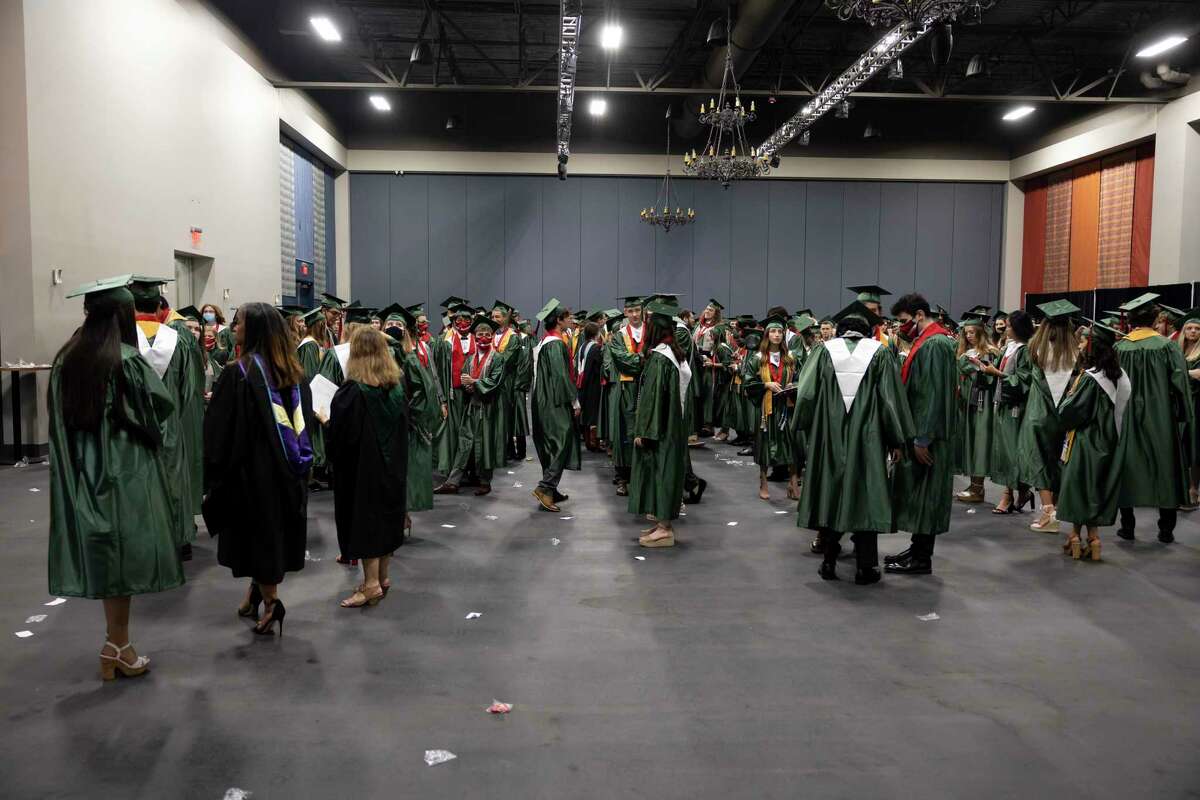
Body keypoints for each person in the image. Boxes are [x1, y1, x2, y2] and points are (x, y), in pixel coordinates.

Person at [49, 276, 184, 680]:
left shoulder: (66, 360)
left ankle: (117, 643)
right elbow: (158, 410)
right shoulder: (126, 361)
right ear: (123, 316)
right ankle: (118, 645)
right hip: (124, 474)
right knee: (124, 560)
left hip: (81, 473)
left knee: (109, 562)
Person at [203, 303, 313, 636]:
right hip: (287, 475)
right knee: (273, 534)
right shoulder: (294, 374)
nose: (233, 327)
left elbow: (218, 433)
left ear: (253, 331)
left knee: (259, 537)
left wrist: (214, 474)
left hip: (251, 477)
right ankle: (257, 590)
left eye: (238, 323)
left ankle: (271, 603)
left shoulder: (239, 374)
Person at [791, 301, 914, 583]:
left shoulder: (823, 352)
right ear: (867, 331)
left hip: (830, 436)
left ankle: (829, 562)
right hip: (867, 439)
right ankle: (865, 567)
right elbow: (890, 401)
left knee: (834, 493)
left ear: (841, 330)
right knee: (865, 496)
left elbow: (806, 395)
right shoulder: (881, 354)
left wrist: (805, 428)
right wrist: (897, 440)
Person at [325, 328, 408, 607]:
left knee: (365, 521)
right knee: (386, 517)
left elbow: (342, 438)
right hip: (392, 468)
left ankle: (370, 585)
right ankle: (383, 577)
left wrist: (326, 421)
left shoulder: (352, 392)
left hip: (362, 472)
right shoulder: (396, 388)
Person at [129, 277, 204, 561]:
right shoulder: (179, 340)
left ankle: (144, 540)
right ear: (159, 306)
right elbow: (189, 389)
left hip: (134, 427)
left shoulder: (122, 341)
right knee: (174, 477)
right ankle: (180, 539)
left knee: (140, 480)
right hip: (171, 425)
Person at [886, 293, 959, 576]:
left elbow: (933, 395)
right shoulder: (926, 342)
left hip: (929, 435)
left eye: (904, 321)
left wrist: (922, 438)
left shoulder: (935, 344)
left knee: (927, 495)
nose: (901, 327)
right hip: (921, 429)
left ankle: (921, 558)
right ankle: (916, 549)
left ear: (918, 315)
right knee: (919, 494)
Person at [1113, 293, 1194, 543]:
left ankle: (1128, 526)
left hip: (1124, 414)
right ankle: (1166, 529)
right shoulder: (1167, 346)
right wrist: (1184, 413)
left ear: (1131, 321)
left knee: (1126, 465)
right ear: (1155, 320)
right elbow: (1180, 381)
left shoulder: (1120, 347)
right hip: (1160, 414)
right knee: (1164, 464)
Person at [1056, 320, 1131, 561]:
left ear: (1092, 348)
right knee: (1094, 488)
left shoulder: (1091, 379)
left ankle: (1076, 537)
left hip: (1086, 440)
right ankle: (1093, 538)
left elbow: (1073, 411)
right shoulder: (1121, 377)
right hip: (1109, 440)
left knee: (1080, 487)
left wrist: (1065, 401)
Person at [629, 298, 692, 547]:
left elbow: (653, 400)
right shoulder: (673, 353)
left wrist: (643, 431)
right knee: (664, 472)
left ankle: (665, 528)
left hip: (661, 429)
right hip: (671, 425)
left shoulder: (660, 358)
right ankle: (662, 523)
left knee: (662, 472)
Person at [1019, 301, 1081, 534]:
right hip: (1064, 415)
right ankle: (1053, 508)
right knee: (1058, 460)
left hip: (1039, 414)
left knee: (1038, 460)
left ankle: (1047, 512)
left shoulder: (1035, 350)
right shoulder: (1077, 354)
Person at [381, 304, 444, 534]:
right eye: (389, 325)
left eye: (399, 325)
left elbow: (423, 390)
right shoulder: (376, 357)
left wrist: (408, 412)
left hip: (402, 426)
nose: (394, 328)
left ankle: (401, 515)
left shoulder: (409, 358)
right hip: (382, 426)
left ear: (406, 331)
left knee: (402, 472)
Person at [435, 314, 510, 495]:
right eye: (479, 335)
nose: (483, 338)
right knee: (464, 442)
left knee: (484, 444)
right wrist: (468, 385)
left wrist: (474, 382)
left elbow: (495, 382)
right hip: (472, 408)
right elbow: (465, 379)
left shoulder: (497, 359)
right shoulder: (471, 359)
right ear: (474, 337)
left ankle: (484, 481)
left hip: (489, 408)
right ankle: (453, 481)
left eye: (487, 335)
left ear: (492, 336)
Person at [977, 309, 1036, 515]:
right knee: (1004, 451)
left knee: (1013, 452)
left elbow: (1024, 381)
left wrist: (999, 374)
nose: (1005, 328)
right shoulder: (1009, 348)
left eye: (1009, 325)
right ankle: (1021, 491)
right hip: (1002, 405)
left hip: (1016, 409)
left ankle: (1009, 495)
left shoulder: (1025, 351)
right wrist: (985, 369)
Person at [531, 299, 582, 512]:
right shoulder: (555, 344)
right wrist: (574, 400)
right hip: (554, 400)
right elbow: (561, 376)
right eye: (568, 317)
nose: (571, 320)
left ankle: (552, 490)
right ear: (559, 321)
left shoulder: (544, 341)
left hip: (541, 398)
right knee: (562, 441)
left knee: (550, 445)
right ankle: (545, 488)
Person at [742, 316, 801, 501]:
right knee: (766, 444)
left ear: (784, 335)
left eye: (780, 332)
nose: (776, 335)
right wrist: (766, 384)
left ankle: (793, 483)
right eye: (773, 331)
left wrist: (793, 385)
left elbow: (799, 377)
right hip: (767, 411)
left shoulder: (790, 358)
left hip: (786, 407)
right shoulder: (758, 358)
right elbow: (749, 382)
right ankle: (763, 481)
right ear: (767, 335)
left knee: (791, 444)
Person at [954, 312, 999, 503]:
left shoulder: (990, 352)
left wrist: (974, 365)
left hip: (983, 402)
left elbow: (990, 378)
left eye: (972, 332)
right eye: (966, 333)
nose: (969, 336)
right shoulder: (965, 352)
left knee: (980, 442)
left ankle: (978, 488)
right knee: (971, 441)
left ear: (980, 333)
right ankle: (973, 485)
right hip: (968, 402)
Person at [606, 296, 646, 497]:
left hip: (648, 389)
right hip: (627, 390)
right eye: (630, 311)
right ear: (625, 312)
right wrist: (643, 359)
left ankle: (643, 476)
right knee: (625, 433)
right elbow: (621, 360)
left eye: (637, 310)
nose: (634, 315)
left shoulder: (651, 332)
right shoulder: (619, 336)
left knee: (645, 431)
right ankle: (624, 477)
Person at [434, 303, 476, 477]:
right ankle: (456, 468)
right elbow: (439, 369)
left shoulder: (479, 338)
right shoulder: (445, 341)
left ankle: (473, 468)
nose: (463, 323)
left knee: (474, 430)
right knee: (457, 430)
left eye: (466, 319)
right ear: (453, 322)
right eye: (459, 319)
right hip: (455, 392)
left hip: (475, 392)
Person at [1179, 309, 1200, 508]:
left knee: (1195, 446)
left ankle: (1194, 488)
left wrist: (1182, 372)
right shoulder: (1179, 351)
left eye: (1197, 329)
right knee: (1182, 446)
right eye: (1189, 328)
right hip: (1181, 402)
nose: (1193, 331)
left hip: (1197, 402)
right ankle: (1183, 487)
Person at [576, 320, 605, 451]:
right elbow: (599, 366)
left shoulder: (582, 346)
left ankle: (589, 441)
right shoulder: (596, 348)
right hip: (594, 384)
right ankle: (594, 443)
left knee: (587, 413)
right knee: (594, 414)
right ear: (596, 333)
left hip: (583, 382)